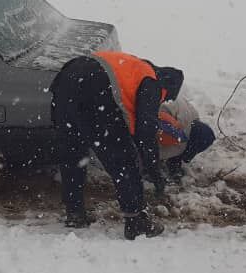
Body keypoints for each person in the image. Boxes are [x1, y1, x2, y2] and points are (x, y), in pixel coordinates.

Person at [50, 50, 184, 240]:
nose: (164, 101)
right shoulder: (152, 81)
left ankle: (75, 213)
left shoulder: (134, 65)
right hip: (95, 87)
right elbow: (145, 132)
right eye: (167, 97)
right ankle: (136, 221)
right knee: (123, 160)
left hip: (67, 79)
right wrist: (153, 171)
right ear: (167, 86)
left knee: (73, 153)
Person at [156, 96, 216, 180]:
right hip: (150, 114)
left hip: (162, 103)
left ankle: (173, 161)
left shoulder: (192, 115)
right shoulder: (180, 127)